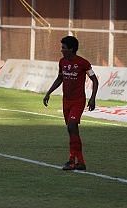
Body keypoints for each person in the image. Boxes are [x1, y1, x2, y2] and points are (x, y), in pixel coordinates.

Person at [43, 35, 99, 171]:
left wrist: (92, 98)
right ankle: (80, 162)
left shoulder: (83, 63)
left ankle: (71, 160)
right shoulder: (62, 62)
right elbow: (59, 78)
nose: (61, 50)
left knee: (72, 126)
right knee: (71, 130)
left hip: (78, 101)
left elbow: (95, 80)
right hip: (66, 101)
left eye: (63, 48)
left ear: (71, 49)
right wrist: (48, 92)